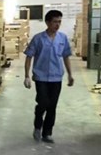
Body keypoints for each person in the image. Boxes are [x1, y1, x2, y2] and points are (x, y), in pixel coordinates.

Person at [24, 9, 74, 143]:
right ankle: (37, 127)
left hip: (56, 77)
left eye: (59, 22)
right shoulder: (38, 38)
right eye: (55, 22)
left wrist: (70, 75)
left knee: (52, 106)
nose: (57, 25)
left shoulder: (62, 38)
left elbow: (66, 57)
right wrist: (27, 76)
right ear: (47, 22)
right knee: (43, 103)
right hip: (40, 77)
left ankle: (47, 133)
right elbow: (29, 56)